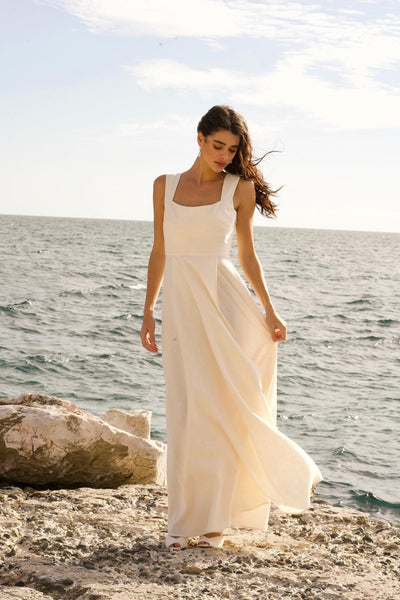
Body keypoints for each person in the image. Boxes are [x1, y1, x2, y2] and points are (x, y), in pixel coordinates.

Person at [140, 105, 322, 550]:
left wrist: (270, 311)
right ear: (199, 138)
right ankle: (183, 523)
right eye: (217, 145)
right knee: (187, 411)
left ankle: (217, 525)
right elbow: (160, 251)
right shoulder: (163, 185)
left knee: (224, 409)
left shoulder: (238, 190)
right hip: (183, 306)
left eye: (232, 149)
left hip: (226, 302)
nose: (224, 155)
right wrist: (148, 310)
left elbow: (246, 256)